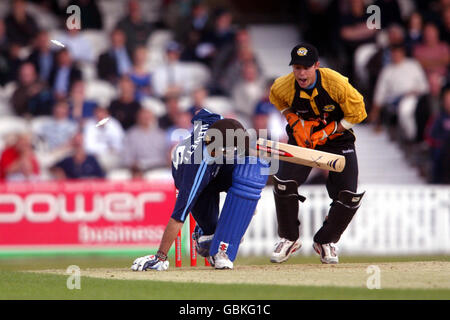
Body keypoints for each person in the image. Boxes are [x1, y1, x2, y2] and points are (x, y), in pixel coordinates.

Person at [131, 109, 269, 271]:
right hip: (199, 183)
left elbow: (201, 111)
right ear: (220, 150)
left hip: (217, 165)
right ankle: (203, 236)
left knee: (251, 170)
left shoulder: (213, 122)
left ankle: (226, 238)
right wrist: (160, 256)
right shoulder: (197, 170)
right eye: (233, 149)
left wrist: (247, 201)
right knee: (209, 241)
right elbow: (178, 218)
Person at [268, 43, 366, 264]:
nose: (301, 73)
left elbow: (359, 111)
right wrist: (294, 121)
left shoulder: (335, 83)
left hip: (337, 140)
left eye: (306, 67)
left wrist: (328, 131)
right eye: (297, 67)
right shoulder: (283, 86)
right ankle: (289, 238)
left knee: (348, 196)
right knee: (283, 183)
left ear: (317, 66)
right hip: (304, 139)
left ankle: (326, 241)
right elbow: (277, 99)